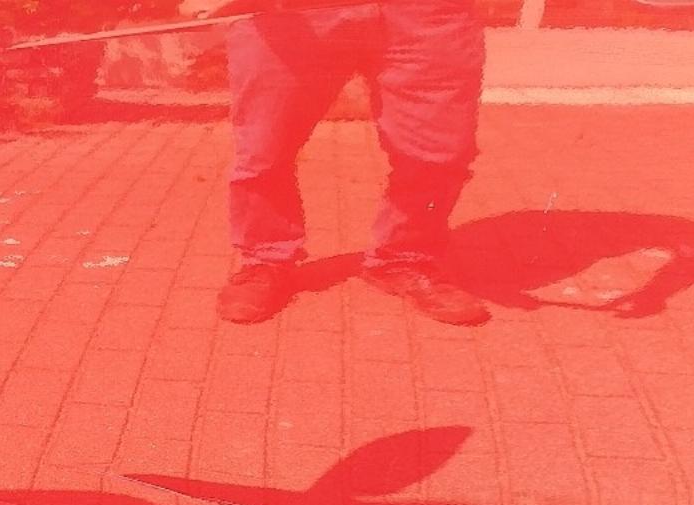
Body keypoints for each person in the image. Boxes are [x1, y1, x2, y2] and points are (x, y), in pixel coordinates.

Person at [192, 0, 491, 325]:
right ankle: (265, 260)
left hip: (424, 13)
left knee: (439, 153)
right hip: (289, 13)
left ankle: (406, 258)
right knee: (264, 148)